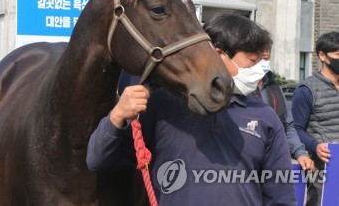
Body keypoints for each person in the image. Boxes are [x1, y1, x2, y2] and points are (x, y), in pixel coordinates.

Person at [87, 13, 296, 205]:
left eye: (261, 62)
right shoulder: (163, 104)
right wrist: (117, 116)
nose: (258, 71)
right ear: (218, 54)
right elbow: (98, 160)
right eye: (252, 61)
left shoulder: (264, 116)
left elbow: (280, 194)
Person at [292, 31, 339, 206]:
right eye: (338, 54)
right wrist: (315, 145)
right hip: (323, 168)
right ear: (322, 56)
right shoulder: (307, 90)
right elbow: (296, 129)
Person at [256, 49, 315, 171]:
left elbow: (288, 126)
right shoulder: (235, 89)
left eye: (266, 59)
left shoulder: (274, 87)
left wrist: (300, 153)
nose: (263, 63)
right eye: (259, 58)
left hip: (273, 163)